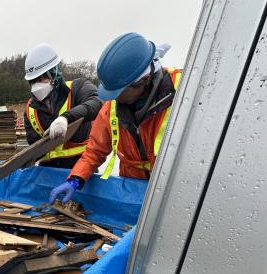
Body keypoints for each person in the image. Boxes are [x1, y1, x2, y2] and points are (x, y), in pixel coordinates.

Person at [49, 32, 183, 204]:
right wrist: (75, 180)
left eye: (118, 91)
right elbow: (95, 150)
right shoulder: (112, 107)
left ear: (143, 81)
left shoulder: (184, 92)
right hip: (131, 193)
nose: (113, 98)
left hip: (173, 194)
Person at [23, 43, 102, 168]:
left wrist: (66, 118)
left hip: (82, 169)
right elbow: (34, 145)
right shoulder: (30, 110)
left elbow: (96, 103)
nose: (37, 85)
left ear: (54, 74)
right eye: (33, 81)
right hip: (48, 173)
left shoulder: (78, 87)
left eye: (41, 79)